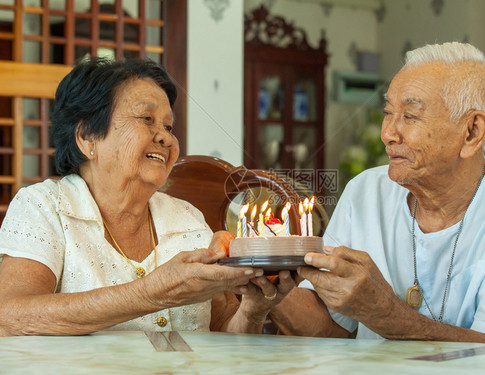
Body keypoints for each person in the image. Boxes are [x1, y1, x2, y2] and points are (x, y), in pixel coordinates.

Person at [269, 42, 485, 349]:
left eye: (410, 116)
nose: (388, 134)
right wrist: (269, 292)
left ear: (472, 132)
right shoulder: (366, 191)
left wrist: (385, 312)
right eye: (388, 113)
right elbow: (329, 327)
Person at [0, 58, 297, 335]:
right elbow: (10, 315)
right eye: (146, 119)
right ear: (87, 137)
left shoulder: (187, 219)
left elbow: (223, 331)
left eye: (168, 126)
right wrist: (152, 292)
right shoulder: (44, 207)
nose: (165, 137)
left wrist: (254, 311)